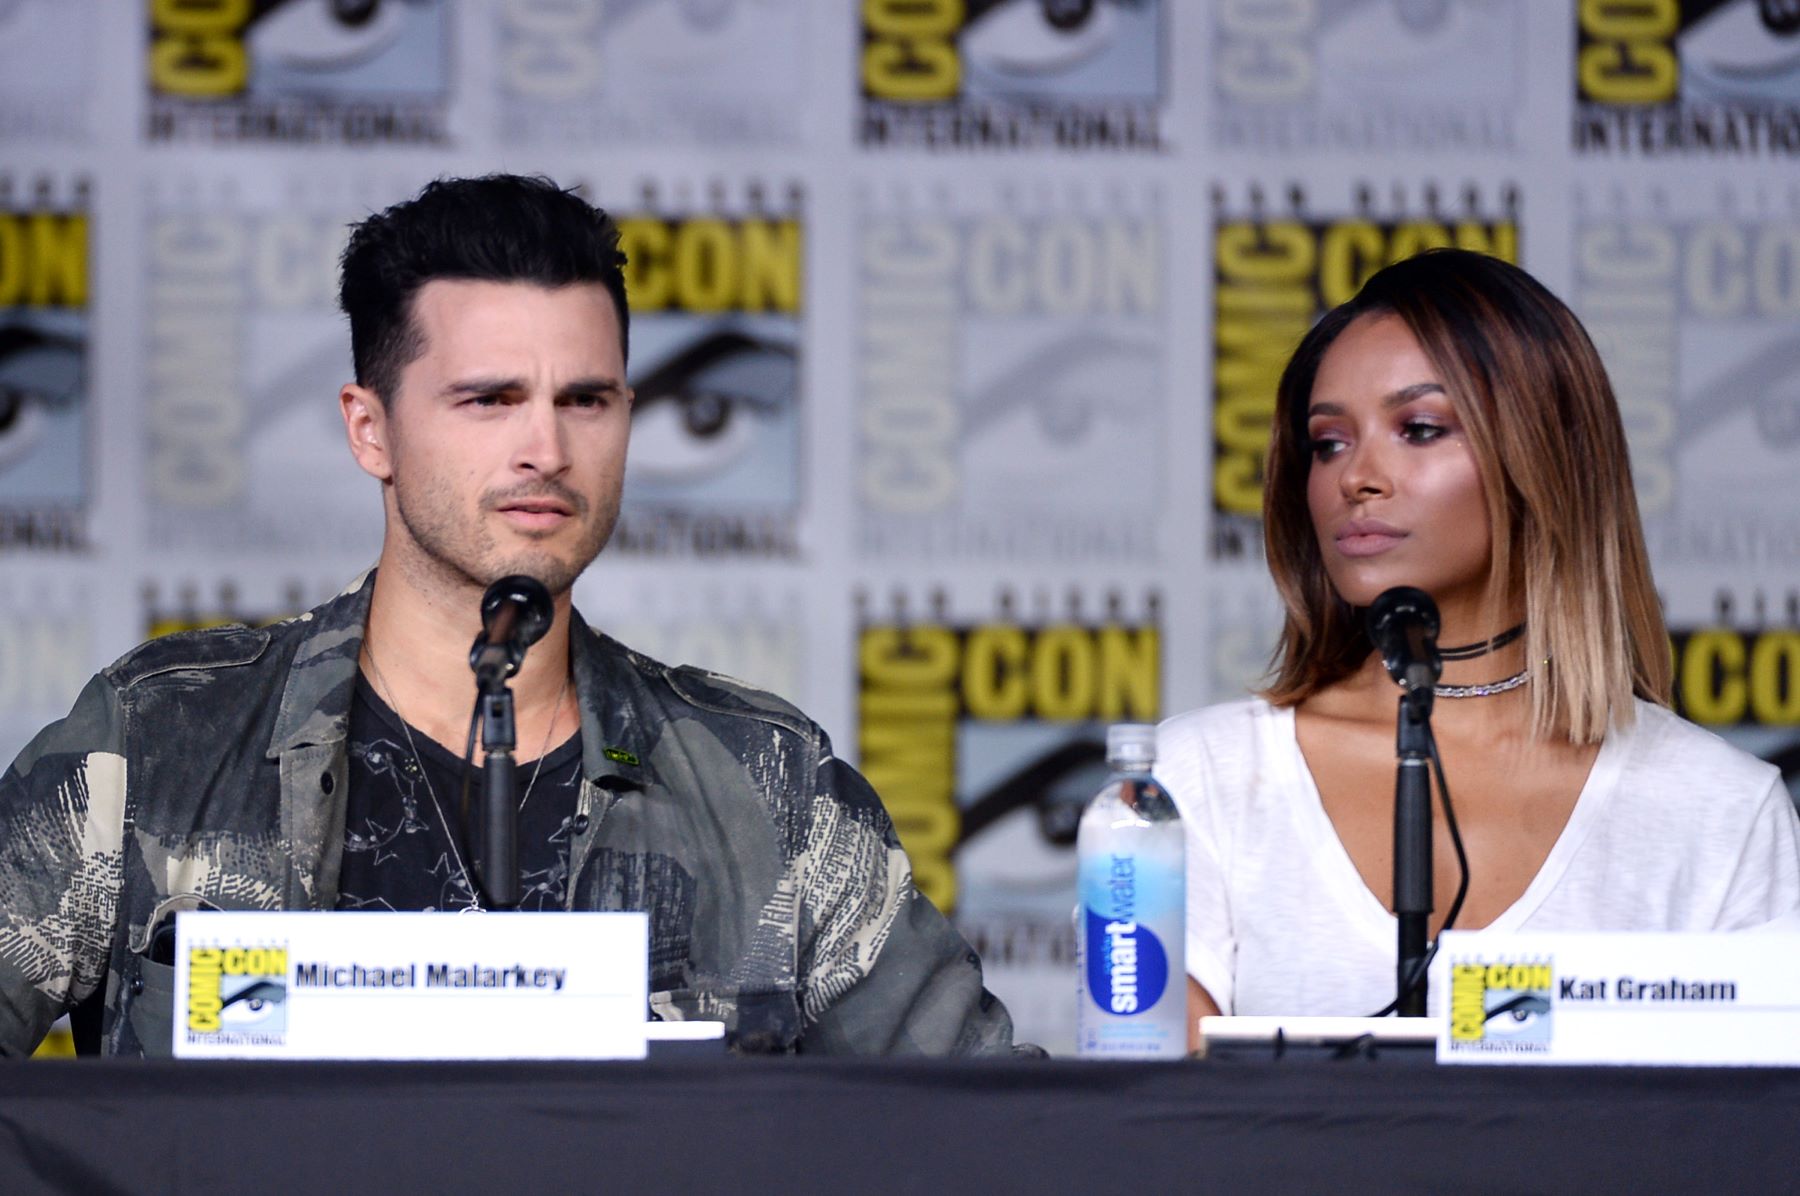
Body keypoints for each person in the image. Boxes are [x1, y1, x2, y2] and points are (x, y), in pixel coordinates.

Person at [0, 175, 1023, 1058]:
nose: (546, 446)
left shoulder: (769, 784)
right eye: (489, 399)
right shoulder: (159, 739)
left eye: (586, 399)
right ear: (371, 428)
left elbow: (994, 1129)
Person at [1158, 249, 1800, 1035]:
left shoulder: (1721, 811)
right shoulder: (1194, 782)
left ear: (1545, 458)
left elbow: (1751, 1146)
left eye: (1419, 429)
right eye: (1328, 443)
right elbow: (1159, 1130)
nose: (1356, 476)